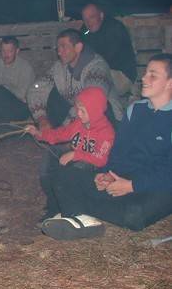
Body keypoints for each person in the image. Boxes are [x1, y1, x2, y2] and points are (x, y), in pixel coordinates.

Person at [41, 54, 172, 240]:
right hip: (126, 177)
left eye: (153, 75)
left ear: (169, 83)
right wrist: (107, 173)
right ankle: (83, 220)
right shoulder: (136, 110)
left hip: (159, 184)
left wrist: (132, 186)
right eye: (146, 73)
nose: (144, 78)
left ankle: (77, 212)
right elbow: (119, 151)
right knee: (64, 176)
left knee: (134, 216)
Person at [26, 87, 115, 219]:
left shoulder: (106, 132)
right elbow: (60, 134)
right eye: (78, 109)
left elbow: (100, 159)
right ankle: (54, 204)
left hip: (92, 171)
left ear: (95, 111)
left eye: (83, 111)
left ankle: (71, 211)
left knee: (73, 169)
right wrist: (39, 134)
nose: (78, 113)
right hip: (77, 161)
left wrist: (75, 154)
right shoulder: (79, 123)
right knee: (50, 159)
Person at [27, 28, 123, 129]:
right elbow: (36, 89)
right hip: (74, 117)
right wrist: (42, 119)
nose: (59, 52)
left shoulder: (97, 68)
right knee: (52, 94)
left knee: (93, 102)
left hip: (105, 121)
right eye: (58, 48)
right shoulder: (59, 67)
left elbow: (89, 104)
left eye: (63, 47)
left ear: (78, 47)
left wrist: (64, 129)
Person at [81, 3, 139, 108]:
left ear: (101, 15)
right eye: (85, 19)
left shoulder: (114, 28)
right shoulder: (86, 30)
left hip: (122, 75)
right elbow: (82, 35)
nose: (88, 22)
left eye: (92, 17)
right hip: (100, 72)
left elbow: (107, 59)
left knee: (94, 83)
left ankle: (114, 115)